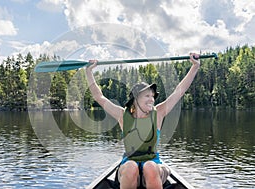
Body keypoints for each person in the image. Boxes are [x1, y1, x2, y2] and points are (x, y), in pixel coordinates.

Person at [86, 53, 200, 189]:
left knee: (149, 167)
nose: (152, 99)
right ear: (135, 100)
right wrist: (89, 71)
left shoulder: (159, 113)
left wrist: (194, 67)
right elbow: (99, 97)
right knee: (130, 166)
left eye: (152, 96)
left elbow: (179, 91)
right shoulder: (123, 115)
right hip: (129, 165)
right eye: (147, 95)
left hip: (154, 166)